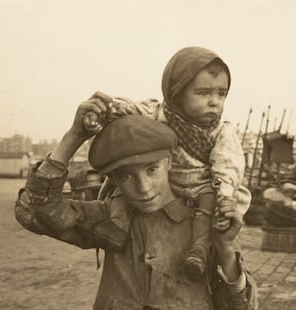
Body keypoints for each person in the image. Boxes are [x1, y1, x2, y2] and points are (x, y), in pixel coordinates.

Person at [14, 101, 258, 310]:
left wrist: (226, 248)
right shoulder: (109, 218)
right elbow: (36, 210)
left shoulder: (206, 221)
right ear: (114, 179)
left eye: (152, 169)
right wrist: (75, 135)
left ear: (170, 162)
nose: (143, 188)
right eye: (126, 176)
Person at [84, 46, 252, 281]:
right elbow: (131, 109)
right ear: (177, 92)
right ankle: (117, 227)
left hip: (201, 187)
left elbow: (229, 165)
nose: (214, 102)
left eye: (221, 94)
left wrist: (224, 194)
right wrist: (105, 110)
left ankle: (199, 250)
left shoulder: (221, 131)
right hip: (163, 185)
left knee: (209, 205)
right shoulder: (159, 113)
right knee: (125, 182)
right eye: (203, 93)